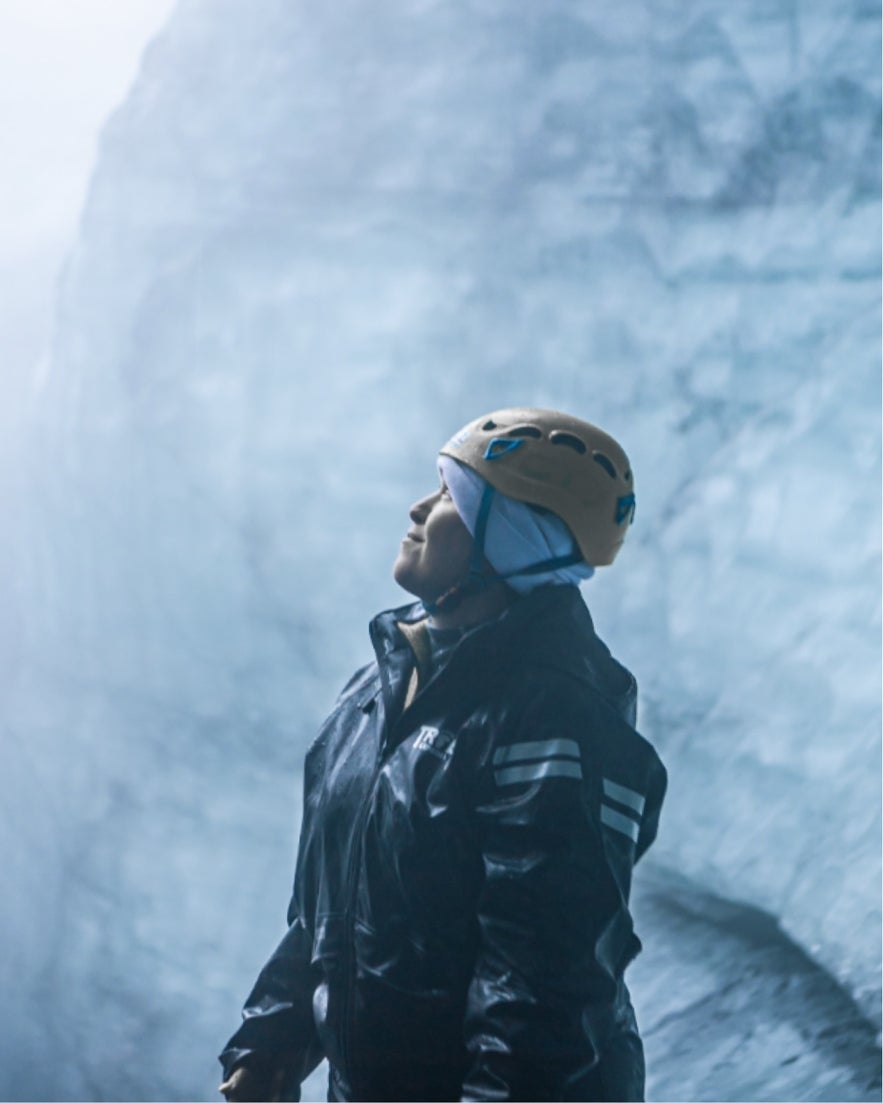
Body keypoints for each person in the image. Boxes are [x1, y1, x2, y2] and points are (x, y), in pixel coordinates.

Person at [218, 407, 667, 1103]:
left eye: (454, 497)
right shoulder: (377, 687)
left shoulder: (557, 717)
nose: (419, 507)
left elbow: (546, 977)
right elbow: (327, 904)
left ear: (512, 545)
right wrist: (273, 1040)